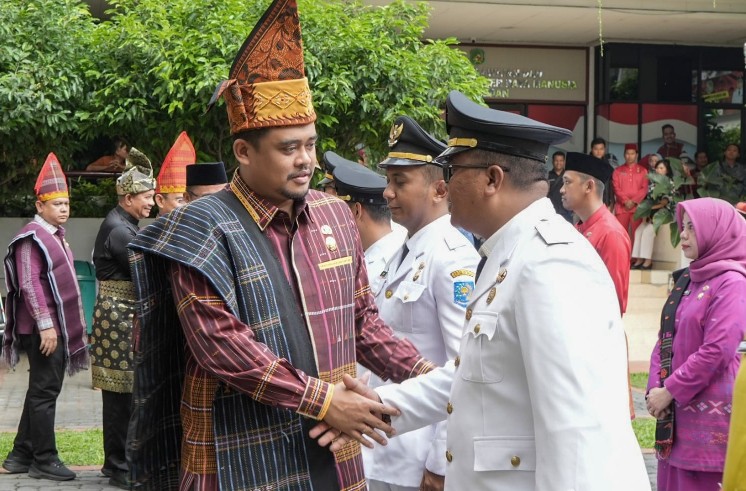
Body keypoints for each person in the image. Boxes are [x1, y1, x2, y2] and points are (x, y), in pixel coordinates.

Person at [126, 1, 434, 489]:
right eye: (288, 148)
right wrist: (326, 400)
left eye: (310, 144)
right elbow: (221, 347)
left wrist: (429, 375)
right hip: (235, 453)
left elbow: (361, 320)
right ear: (243, 151)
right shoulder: (199, 227)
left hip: (331, 443)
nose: (305, 160)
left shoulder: (334, 212)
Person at [324, 90, 650, 490]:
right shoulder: (507, 252)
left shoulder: (550, 263)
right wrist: (376, 409)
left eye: (453, 171)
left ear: (493, 179)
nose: (445, 185)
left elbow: (579, 431)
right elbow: (472, 376)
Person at [364, 115, 479, 491]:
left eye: (400, 182)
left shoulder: (453, 258)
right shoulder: (402, 249)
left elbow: (464, 368)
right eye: (387, 181)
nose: (387, 193)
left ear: (439, 189)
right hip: (379, 446)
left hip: (415, 455)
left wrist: (441, 462)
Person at [646, 197, 746, 491]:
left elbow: (718, 350)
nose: (684, 234)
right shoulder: (688, 279)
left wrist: (670, 391)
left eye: (693, 227)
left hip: (709, 428)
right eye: (683, 226)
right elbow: (665, 336)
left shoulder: (732, 282)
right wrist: (655, 388)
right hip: (674, 423)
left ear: (716, 230)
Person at [1, 153, 88, 482]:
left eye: (66, 203)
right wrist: (47, 326)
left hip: (49, 328)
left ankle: (20, 455)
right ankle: (44, 459)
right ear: (40, 206)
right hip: (41, 329)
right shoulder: (30, 238)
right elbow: (28, 284)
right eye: (56, 203)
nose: (64, 208)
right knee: (44, 391)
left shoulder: (54, 236)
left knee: (41, 389)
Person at [90, 148, 155, 489]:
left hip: (118, 316)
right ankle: (118, 466)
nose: (152, 203)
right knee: (121, 395)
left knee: (121, 394)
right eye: (147, 197)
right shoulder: (121, 231)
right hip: (118, 316)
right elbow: (144, 272)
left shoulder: (124, 223)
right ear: (128, 198)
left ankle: (114, 462)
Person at [326, 150, 405, 295]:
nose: (335, 218)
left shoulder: (374, 267)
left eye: (340, 209)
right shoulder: (402, 245)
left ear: (357, 211)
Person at [561, 152, 630, 314]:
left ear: (589, 186)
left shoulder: (611, 234)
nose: (562, 190)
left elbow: (614, 305)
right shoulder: (578, 228)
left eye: (567, 182)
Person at [632, 159, 674, 270]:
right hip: (650, 213)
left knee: (647, 232)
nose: (659, 170)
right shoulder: (652, 184)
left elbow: (664, 202)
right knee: (639, 231)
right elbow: (647, 199)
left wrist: (650, 209)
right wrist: (646, 214)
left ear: (667, 170)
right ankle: (639, 259)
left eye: (662, 168)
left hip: (663, 213)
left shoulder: (669, 183)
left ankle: (648, 261)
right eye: (657, 168)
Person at [612, 143, 649, 242]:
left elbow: (644, 188)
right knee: (620, 234)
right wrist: (625, 201)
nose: (630, 156)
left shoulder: (643, 171)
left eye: (632, 153)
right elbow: (616, 188)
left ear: (636, 155)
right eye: (627, 153)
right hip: (621, 207)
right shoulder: (617, 171)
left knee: (636, 235)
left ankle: (633, 257)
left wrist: (633, 201)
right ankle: (621, 256)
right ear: (624, 155)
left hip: (637, 208)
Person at [154, 131, 195, 215]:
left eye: (190, 201)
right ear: (160, 201)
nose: (187, 208)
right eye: (181, 201)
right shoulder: (149, 229)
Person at [547, 150, 572, 222]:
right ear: (552, 161)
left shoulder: (569, 175)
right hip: (551, 211)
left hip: (566, 211)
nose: (558, 163)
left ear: (564, 162)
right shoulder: (547, 175)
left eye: (561, 160)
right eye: (556, 160)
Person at [590, 136, 615, 207]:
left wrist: (611, 203)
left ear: (604, 150)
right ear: (592, 149)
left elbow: (611, 186)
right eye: (596, 149)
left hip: (605, 202)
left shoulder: (608, 166)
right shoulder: (586, 165)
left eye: (601, 149)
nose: (599, 152)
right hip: (590, 202)